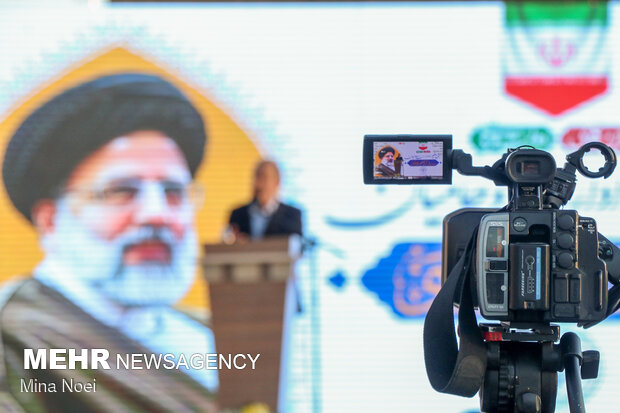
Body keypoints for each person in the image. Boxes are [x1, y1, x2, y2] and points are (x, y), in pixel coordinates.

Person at [0, 73, 218, 412]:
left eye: (173, 192)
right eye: (121, 191)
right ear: (50, 220)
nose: (157, 215)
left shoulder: (211, 333)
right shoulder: (13, 339)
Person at [228, 160, 302, 241]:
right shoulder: (237, 214)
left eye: (264, 177)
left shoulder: (292, 215)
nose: (259, 184)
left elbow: (295, 248)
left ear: (277, 182)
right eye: (257, 177)